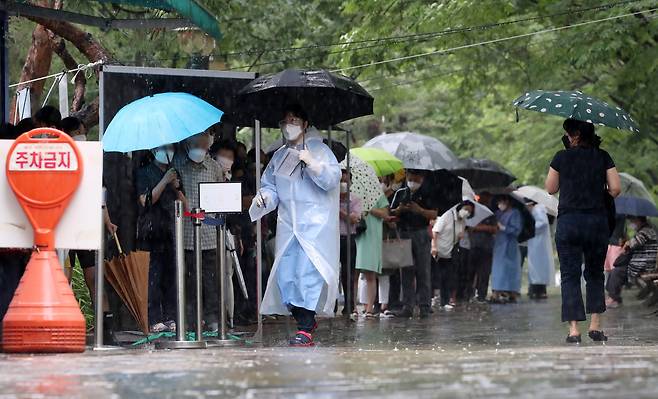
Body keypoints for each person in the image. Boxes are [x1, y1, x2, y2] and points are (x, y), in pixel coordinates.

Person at [250, 104, 340, 346]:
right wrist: (264, 197)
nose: (288, 125)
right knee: (287, 276)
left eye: (294, 120)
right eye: (285, 121)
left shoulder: (320, 151)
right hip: (289, 225)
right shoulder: (279, 157)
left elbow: (332, 180)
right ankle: (304, 319)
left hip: (315, 226)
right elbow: (270, 185)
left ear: (305, 124)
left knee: (308, 275)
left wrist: (313, 163)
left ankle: (306, 327)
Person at [545, 118, 621, 343]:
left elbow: (551, 188)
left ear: (576, 135)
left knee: (570, 275)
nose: (567, 137)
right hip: (596, 222)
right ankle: (595, 325)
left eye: (569, 133)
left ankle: (574, 330)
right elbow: (615, 188)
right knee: (595, 273)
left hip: (569, 222)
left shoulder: (561, 157)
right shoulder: (603, 156)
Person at [173, 131, 223, 331]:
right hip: (185, 234)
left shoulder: (214, 167)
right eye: (196, 145)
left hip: (209, 234)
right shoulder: (177, 165)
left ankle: (212, 318)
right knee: (188, 280)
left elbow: (221, 196)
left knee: (211, 280)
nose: (200, 149)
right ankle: (191, 320)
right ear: (187, 144)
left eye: (203, 145)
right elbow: (175, 193)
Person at [136, 143, 184, 332]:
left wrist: (176, 187)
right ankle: (154, 317)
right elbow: (145, 200)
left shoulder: (175, 173)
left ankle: (171, 316)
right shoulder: (144, 173)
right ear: (154, 150)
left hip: (172, 230)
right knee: (153, 276)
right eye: (164, 148)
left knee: (171, 276)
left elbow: (184, 204)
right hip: (151, 231)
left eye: (171, 148)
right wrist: (164, 181)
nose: (168, 152)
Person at [391, 170, 439, 318]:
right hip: (404, 233)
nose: (412, 181)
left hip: (421, 233)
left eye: (415, 178)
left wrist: (420, 210)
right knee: (406, 271)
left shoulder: (429, 193)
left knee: (423, 270)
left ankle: (424, 306)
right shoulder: (400, 193)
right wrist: (399, 210)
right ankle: (408, 306)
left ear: (422, 178)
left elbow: (434, 214)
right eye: (409, 178)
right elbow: (391, 212)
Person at [431, 200, 475, 310]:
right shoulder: (448, 215)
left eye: (469, 211)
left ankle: (445, 300)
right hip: (439, 250)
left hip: (450, 250)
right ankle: (434, 299)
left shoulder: (463, 221)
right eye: (466, 209)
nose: (467, 212)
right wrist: (434, 246)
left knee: (448, 276)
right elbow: (435, 231)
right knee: (437, 275)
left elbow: (460, 233)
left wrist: (460, 235)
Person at [606, 217, 657, 308]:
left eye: (633, 221)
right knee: (617, 270)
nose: (631, 223)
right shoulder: (646, 231)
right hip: (643, 263)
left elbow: (632, 244)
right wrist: (626, 243)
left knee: (617, 272)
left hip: (643, 265)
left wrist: (626, 244)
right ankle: (613, 296)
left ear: (639, 221)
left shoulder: (645, 232)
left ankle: (614, 299)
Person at [355, 191, 389, 317]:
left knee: (370, 273)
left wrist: (369, 209)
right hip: (355, 234)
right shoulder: (352, 191)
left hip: (372, 236)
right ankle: (353, 307)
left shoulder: (378, 194)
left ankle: (369, 308)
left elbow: (385, 214)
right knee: (354, 274)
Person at [490, 195, 523, 304]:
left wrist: (504, 227)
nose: (500, 205)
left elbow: (516, 230)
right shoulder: (498, 214)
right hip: (499, 245)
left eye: (501, 202)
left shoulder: (515, 213)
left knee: (510, 270)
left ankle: (512, 293)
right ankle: (496, 293)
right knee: (498, 269)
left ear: (507, 201)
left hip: (510, 245)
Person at [338, 169, 362, 316]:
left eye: (346, 182)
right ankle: (331, 305)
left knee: (349, 273)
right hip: (332, 240)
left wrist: (340, 212)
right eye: (341, 181)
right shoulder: (329, 199)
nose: (343, 184)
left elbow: (354, 219)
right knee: (331, 274)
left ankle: (349, 305)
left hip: (349, 239)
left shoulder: (356, 200)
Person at [469, 192, 497, 303]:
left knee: (484, 273)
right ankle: (469, 294)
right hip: (473, 245)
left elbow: (494, 229)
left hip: (487, 247)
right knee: (471, 272)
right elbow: (470, 227)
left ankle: (481, 295)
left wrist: (480, 227)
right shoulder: (472, 210)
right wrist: (483, 228)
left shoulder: (491, 213)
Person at [526, 200, 555, 299]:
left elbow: (542, 223)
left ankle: (538, 290)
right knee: (536, 267)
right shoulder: (538, 209)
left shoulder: (537, 209)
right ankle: (536, 290)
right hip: (536, 242)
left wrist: (530, 228)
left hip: (538, 242)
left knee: (537, 267)